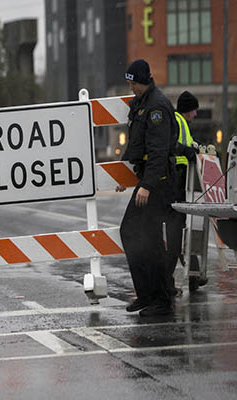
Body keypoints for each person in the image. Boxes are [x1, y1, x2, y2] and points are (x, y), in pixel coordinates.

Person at [117, 59, 178, 317]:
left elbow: (158, 152)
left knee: (149, 240)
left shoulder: (157, 107)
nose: (131, 87)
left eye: (133, 82)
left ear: (143, 80)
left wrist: (147, 186)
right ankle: (147, 294)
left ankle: (162, 300)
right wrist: (127, 177)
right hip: (148, 181)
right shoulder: (142, 103)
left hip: (157, 183)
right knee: (132, 233)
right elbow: (138, 147)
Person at [166, 91, 200, 295]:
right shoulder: (177, 121)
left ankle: (193, 272)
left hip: (180, 178)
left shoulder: (182, 123)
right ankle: (184, 274)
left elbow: (185, 145)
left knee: (178, 227)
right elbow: (171, 145)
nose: (196, 114)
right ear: (188, 109)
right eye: (195, 109)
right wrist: (186, 152)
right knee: (176, 228)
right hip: (176, 178)